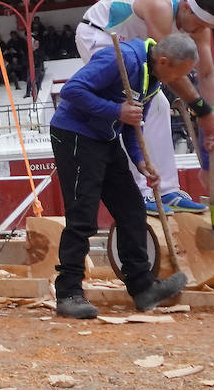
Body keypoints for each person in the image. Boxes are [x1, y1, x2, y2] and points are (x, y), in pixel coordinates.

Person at [48, 34, 196, 319]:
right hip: (75, 134)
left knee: (132, 209)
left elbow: (132, 123)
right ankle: (68, 292)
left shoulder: (154, 79)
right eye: (179, 72)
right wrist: (116, 110)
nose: (179, 80)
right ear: (164, 61)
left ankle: (142, 287)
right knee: (82, 216)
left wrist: (140, 162)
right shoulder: (122, 58)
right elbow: (72, 90)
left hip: (106, 137)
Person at [75, 0, 214, 213]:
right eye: (198, 24)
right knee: (133, 103)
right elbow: (169, 69)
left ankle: (167, 190)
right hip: (101, 35)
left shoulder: (198, 23)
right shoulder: (160, 5)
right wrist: (201, 110)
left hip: (134, 47)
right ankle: (140, 193)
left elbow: (207, 74)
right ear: (186, 8)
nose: (199, 31)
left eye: (206, 28)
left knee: (159, 104)